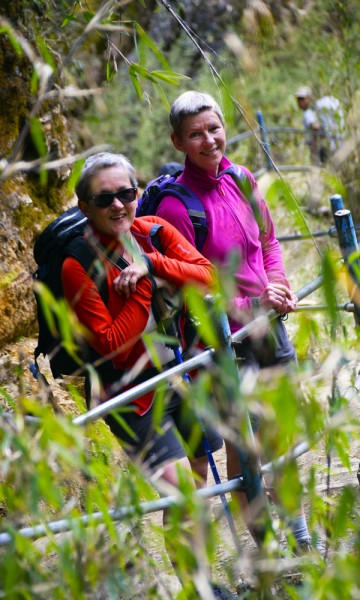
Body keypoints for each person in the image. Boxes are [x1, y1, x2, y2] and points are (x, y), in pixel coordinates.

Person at [61, 151, 233, 597]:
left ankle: (199, 584)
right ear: (85, 206)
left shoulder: (155, 231)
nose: (118, 205)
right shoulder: (77, 264)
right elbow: (113, 344)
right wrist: (144, 289)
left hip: (181, 374)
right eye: (105, 199)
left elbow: (208, 275)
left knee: (198, 486)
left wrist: (153, 266)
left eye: (126, 193)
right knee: (182, 493)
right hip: (130, 395)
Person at [155, 90, 312, 552]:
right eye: (195, 134)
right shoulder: (175, 209)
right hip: (221, 342)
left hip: (270, 327)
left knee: (279, 430)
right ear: (177, 142)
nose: (208, 140)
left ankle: (299, 536)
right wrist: (251, 300)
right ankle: (266, 550)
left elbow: (269, 243)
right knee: (245, 446)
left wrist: (278, 286)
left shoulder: (243, 179)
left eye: (214, 129)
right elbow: (188, 288)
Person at [295, 85, 345, 164]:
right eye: (298, 99)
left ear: (309, 98)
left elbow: (316, 127)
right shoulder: (320, 106)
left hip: (327, 145)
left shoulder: (309, 112)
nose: (300, 102)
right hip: (338, 141)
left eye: (302, 99)